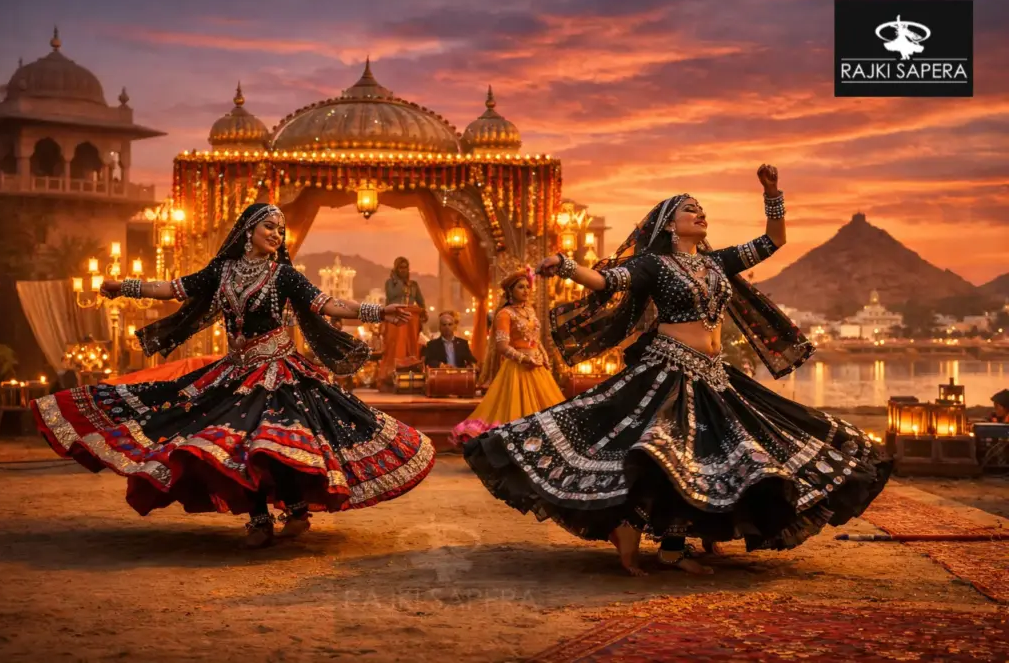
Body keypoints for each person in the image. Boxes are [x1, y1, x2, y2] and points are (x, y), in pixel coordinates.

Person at [463, 166, 892, 576]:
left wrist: (772, 195)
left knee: (717, 458)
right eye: (690, 208)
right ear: (670, 223)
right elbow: (606, 281)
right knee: (665, 459)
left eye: (702, 208)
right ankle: (657, 544)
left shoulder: (716, 263)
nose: (700, 213)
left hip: (715, 373)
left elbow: (772, 241)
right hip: (668, 371)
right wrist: (568, 266)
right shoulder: (654, 265)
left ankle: (675, 544)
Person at [31, 203, 435, 549]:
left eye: (280, 229)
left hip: (280, 374)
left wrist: (377, 312)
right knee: (233, 447)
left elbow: (326, 303)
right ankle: (259, 519)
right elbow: (175, 288)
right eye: (269, 227)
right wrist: (126, 287)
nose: (276, 234)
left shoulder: (284, 275)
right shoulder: (221, 272)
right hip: (234, 373)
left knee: (269, 443)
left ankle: (295, 510)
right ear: (248, 230)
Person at [451, 268, 565, 446]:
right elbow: (502, 346)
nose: (526, 290)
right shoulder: (504, 314)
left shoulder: (530, 310)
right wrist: (525, 359)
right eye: (521, 287)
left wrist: (543, 356)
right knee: (514, 411)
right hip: (517, 368)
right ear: (510, 291)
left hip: (538, 367)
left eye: (528, 286)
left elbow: (535, 339)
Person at [378, 257, 427, 387]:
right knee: (394, 346)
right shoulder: (390, 283)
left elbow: (421, 301)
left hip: (411, 321)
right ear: (396, 269)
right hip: (394, 319)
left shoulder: (414, 284)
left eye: (406, 267)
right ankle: (390, 376)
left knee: (411, 346)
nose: (404, 270)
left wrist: (423, 312)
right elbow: (391, 296)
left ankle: (411, 376)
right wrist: (398, 281)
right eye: (401, 267)